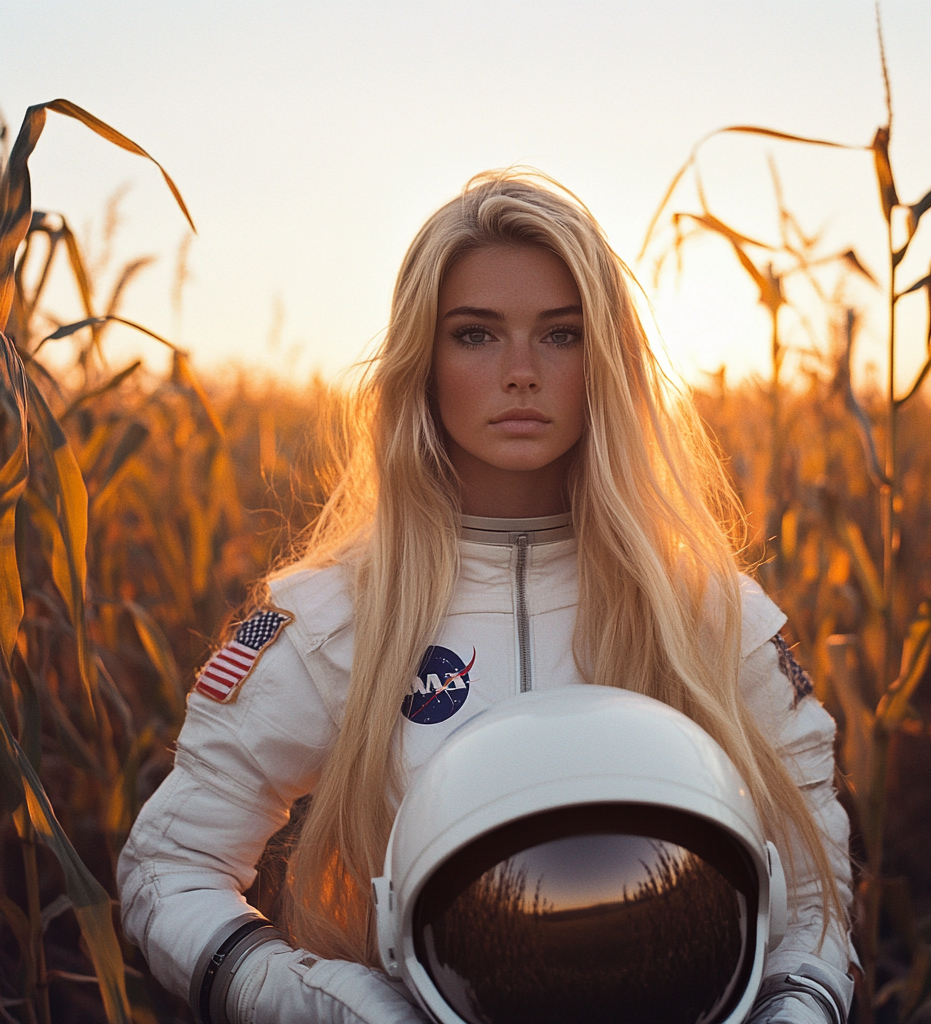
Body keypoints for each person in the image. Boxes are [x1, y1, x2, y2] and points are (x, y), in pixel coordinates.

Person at [118, 170, 855, 1024]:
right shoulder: (331, 621)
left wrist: (796, 1007)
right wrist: (335, 1007)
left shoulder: (708, 615)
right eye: (475, 335)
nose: (520, 373)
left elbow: (811, 879)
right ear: (421, 360)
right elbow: (167, 869)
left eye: (562, 335)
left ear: (608, 359)